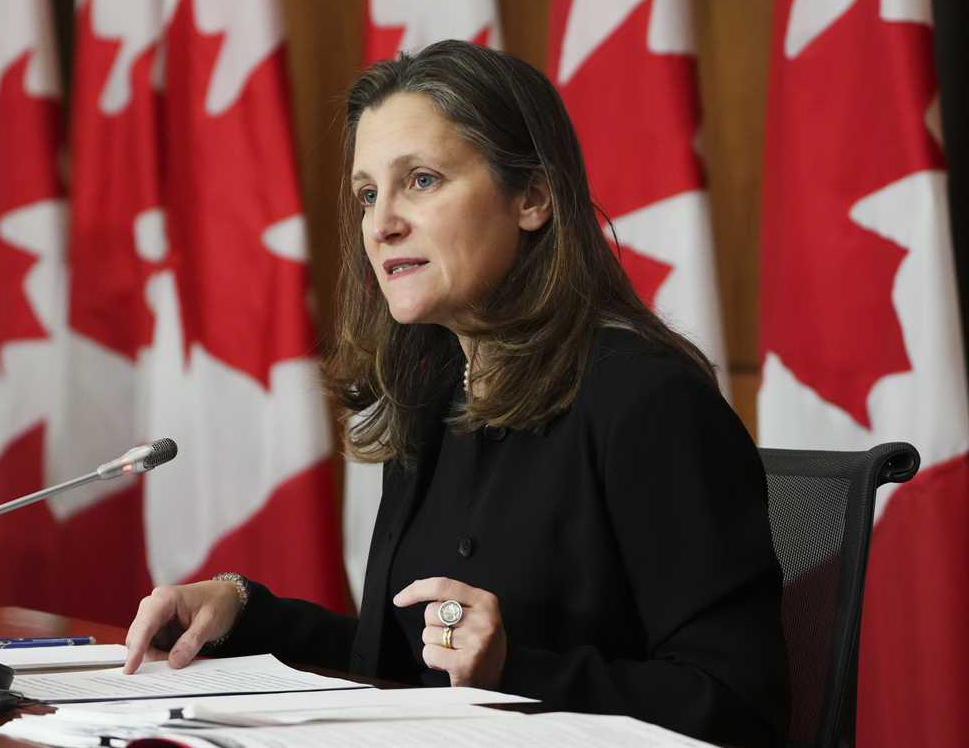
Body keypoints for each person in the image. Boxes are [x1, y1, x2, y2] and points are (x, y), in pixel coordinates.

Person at [122, 40, 788, 747]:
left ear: (531, 197)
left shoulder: (647, 400)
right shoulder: (430, 398)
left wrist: (513, 670)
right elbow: (406, 666)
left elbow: (739, 703)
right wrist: (245, 610)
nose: (381, 225)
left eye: (424, 180)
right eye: (368, 193)